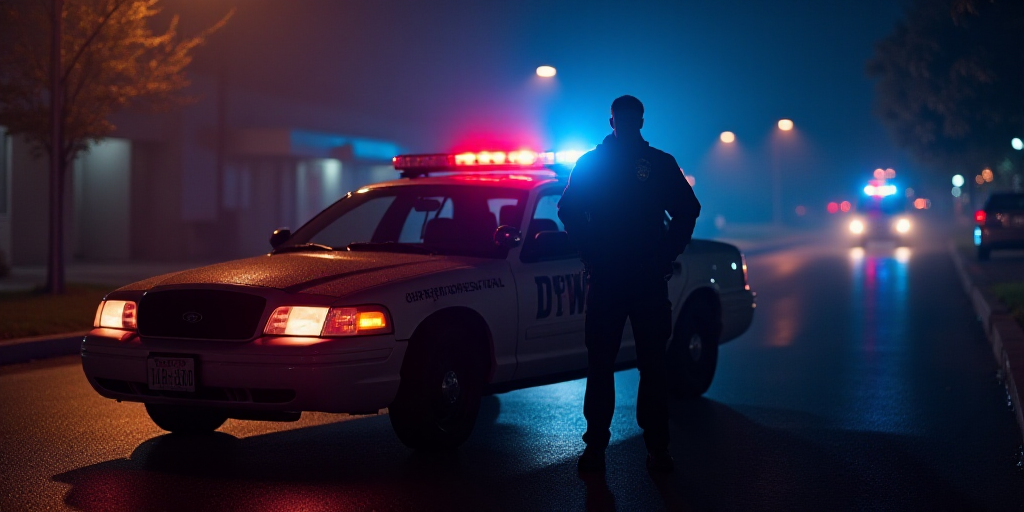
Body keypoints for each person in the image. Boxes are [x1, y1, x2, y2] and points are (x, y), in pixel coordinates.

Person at [558, 95, 701, 473]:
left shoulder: (600, 164)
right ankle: (654, 448)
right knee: (647, 364)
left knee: (609, 363)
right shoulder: (655, 164)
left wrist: (592, 249)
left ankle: (600, 449)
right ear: (637, 120)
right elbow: (689, 210)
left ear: (615, 122)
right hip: (636, 277)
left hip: (616, 277)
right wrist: (666, 253)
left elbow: (568, 209)